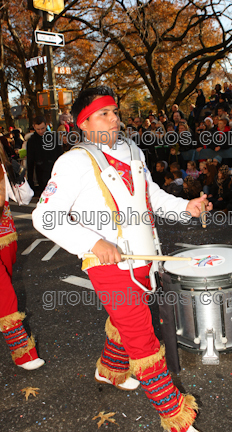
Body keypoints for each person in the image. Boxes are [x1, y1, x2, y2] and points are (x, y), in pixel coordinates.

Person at [32, 85, 213, 432]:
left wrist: (185, 207)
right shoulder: (72, 162)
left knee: (129, 320)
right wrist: (93, 242)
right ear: (83, 123)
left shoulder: (132, 150)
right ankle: (175, 416)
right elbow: (44, 216)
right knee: (142, 337)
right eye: (104, 113)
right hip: (109, 267)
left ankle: (110, 370)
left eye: (115, 111)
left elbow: (152, 195)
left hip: (145, 258)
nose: (115, 118)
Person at [0, 144, 44, 370]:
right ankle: (23, 353)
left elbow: (24, 199)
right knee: (4, 295)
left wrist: (18, 177)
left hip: (5, 237)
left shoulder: (4, 166)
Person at [27, 116, 63, 195]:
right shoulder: (31, 141)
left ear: (46, 125)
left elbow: (60, 155)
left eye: (42, 128)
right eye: (38, 129)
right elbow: (30, 161)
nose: (40, 131)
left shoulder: (54, 137)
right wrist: (30, 181)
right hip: (41, 172)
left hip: (54, 171)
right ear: (34, 127)